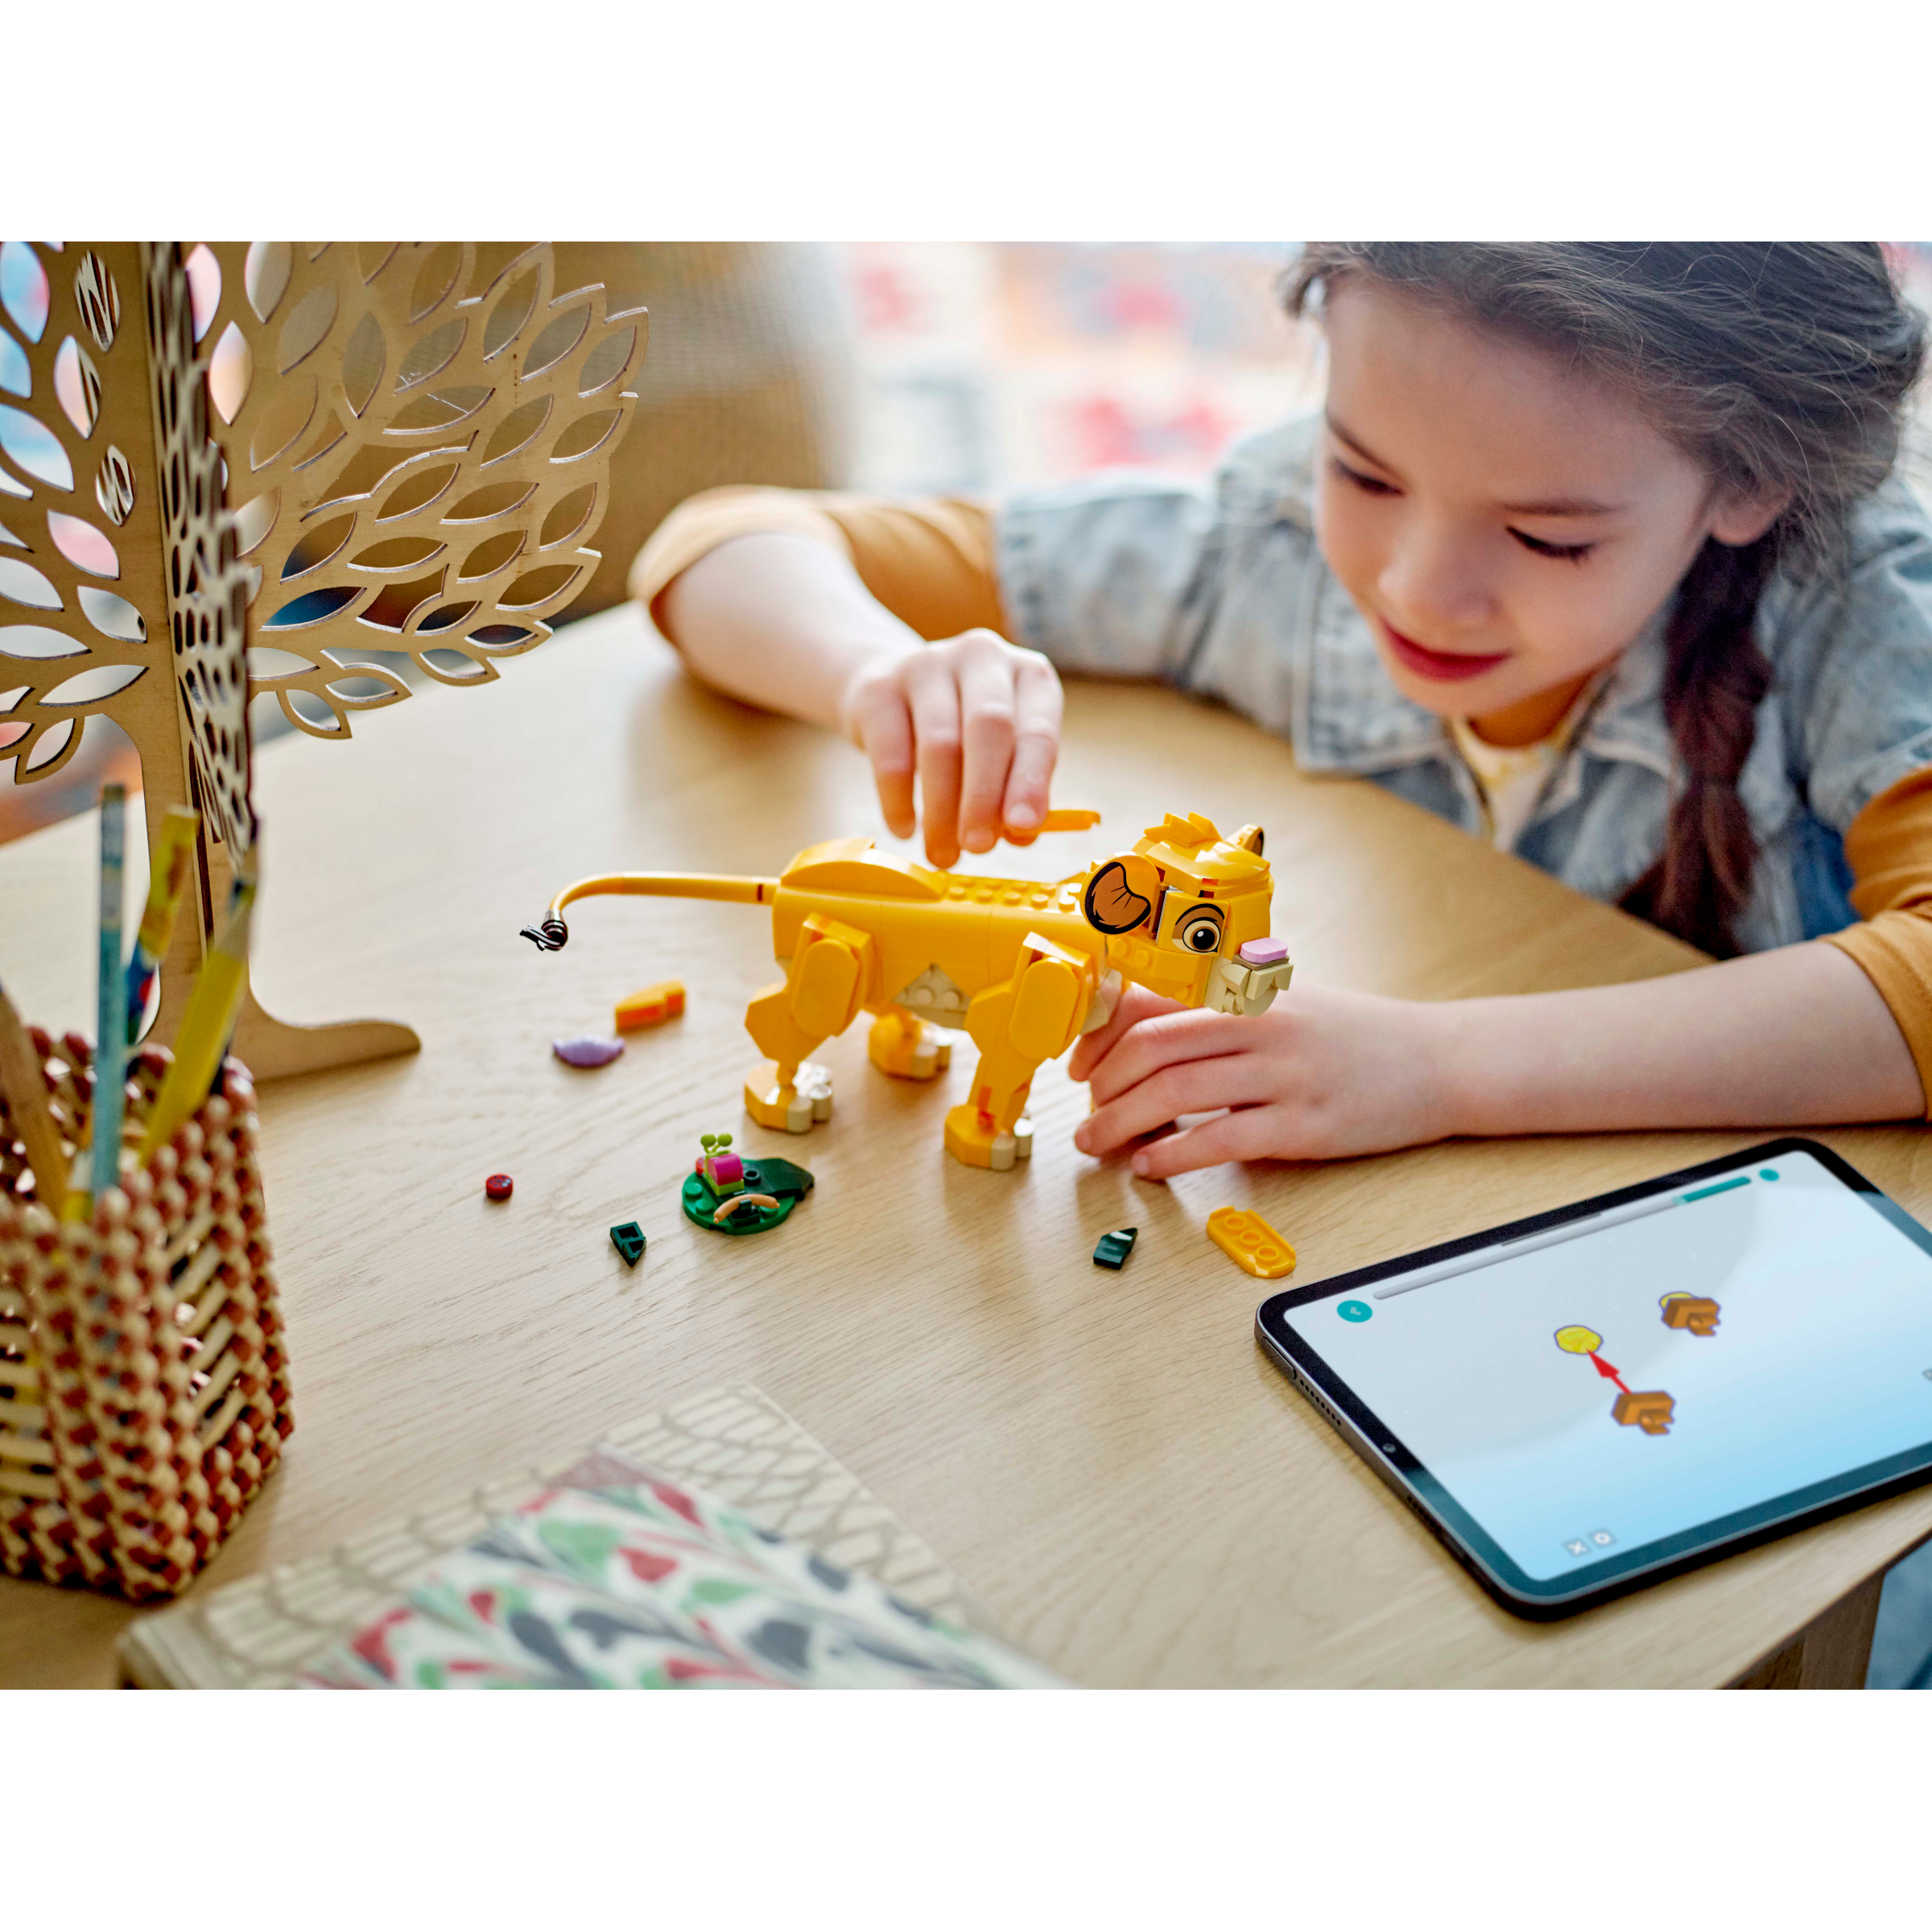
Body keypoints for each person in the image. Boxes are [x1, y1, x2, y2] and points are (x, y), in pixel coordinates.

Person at [629, 244, 1932, 1180]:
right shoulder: (1263, 542)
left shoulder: (1860, 610)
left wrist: (1443, 1071)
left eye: (1547, 537)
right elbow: (721, 546)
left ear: (1748, 487)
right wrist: (876, 672)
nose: (1415, 589)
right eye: (1361, 472)